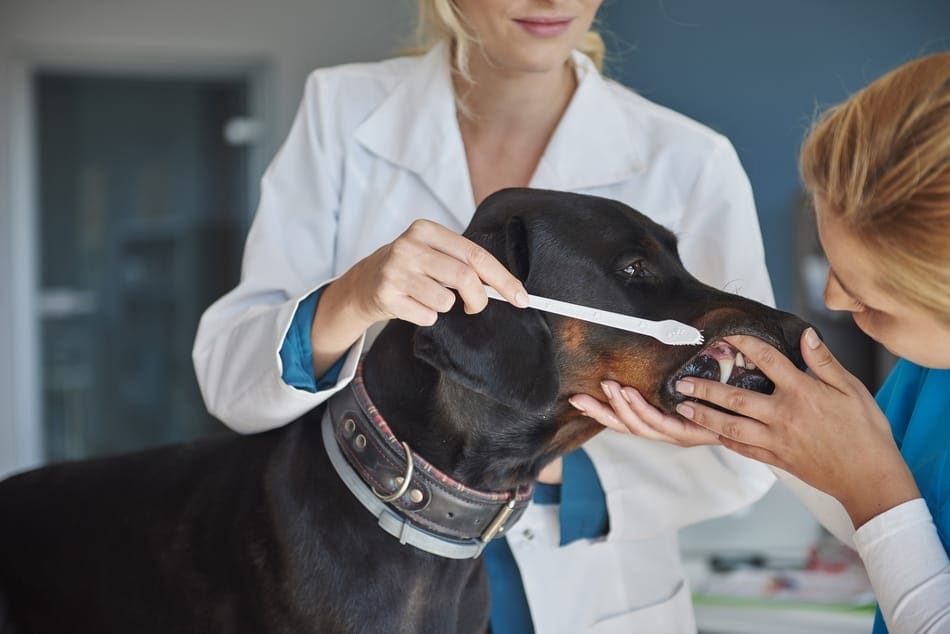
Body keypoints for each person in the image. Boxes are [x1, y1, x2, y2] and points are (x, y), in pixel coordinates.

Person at [192, 0, 780, 631]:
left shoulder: (690, 160)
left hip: (581, 595)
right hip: (359, 586)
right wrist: (356, 294)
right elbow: (233, 385)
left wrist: (510, 467)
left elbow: (752, 443)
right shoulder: (342, 113)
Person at [571, 51, 950, 633]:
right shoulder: (933, 373)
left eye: (871, 299)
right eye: (832, 262)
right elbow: (904, 537)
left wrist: (874, 482)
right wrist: (761, 430)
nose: (833, 299)